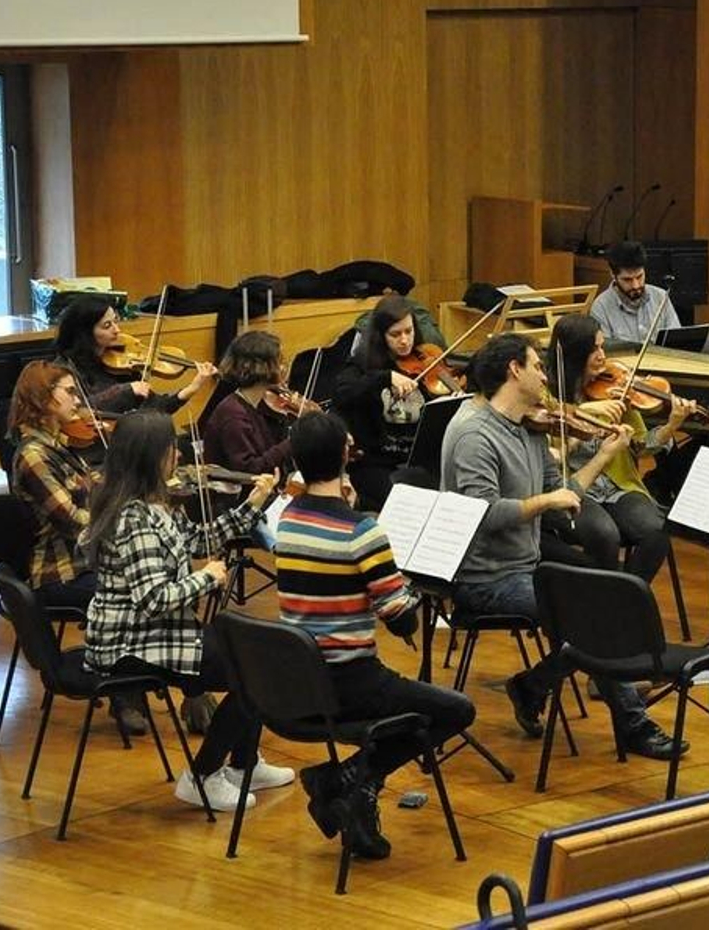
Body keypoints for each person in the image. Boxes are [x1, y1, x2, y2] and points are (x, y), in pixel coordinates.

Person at [440, 333, 684, 759]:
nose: (545, 377)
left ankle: (532, 685)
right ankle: (632, 723)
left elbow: (563, 493)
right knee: (588, 615)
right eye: (537, 367)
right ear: (514, 370)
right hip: (483, 578)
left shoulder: (530, 425)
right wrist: (545, 501)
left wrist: (603, 455)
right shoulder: (474, 434)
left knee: (600, 600)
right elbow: (484, 514)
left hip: (525, 565)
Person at [276, 410, 476, 861]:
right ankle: (348, 778)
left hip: (298, 683)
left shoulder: (288, 518)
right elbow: (401, 620)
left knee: (420, 707)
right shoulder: (361, 532)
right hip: (351, 684)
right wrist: (408, 588)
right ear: (345, 455)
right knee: (456, 710)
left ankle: (356, 789)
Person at [81, 410, 293, 812]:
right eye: (171, 449)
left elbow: (198, 540)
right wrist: (206, 578)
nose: (178, 455)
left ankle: (244, 764)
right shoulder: (132, 519)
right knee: (253, 670)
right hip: (131, 643)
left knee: (255, 654)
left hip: (160, 630)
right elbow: (152, 599)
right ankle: (203, 776)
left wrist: (253, 504)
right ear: (151, 457)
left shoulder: (159, 504)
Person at [7, 360, 146, 736]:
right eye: (69, 392)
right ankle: (126, 690)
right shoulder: (34, 455)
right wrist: (121, 518)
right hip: (60, 572)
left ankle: (147, 681)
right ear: (43, 398)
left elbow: (91, 493)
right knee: (136, 594)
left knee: (156, 578)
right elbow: (72, 520)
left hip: (84, 562)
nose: (78, 400)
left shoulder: (58, 446)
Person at [546, 313, 689, 580]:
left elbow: (641, 446)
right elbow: (551, 456)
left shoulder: (616, 390)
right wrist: (585, 416)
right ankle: (607, 595)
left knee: (657, 530)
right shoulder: (549, 399)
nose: (602, 356)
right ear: (575, 354)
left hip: (617, 487)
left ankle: (625, 595)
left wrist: (671, 426)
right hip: (576, 488)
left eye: (602, 347)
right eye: (594, 349)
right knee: (605, 535)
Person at [332, 295, 445, 510]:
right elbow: (342, 392)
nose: (404, 340)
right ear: (380, 335)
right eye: (395, 334)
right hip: (376, 463)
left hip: (418, 461)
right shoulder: (362, 365)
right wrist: (386, 377)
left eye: (409, 331)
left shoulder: (425, 361)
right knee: (404, 505)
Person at [55, 295, 217, 419]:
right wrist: (126, 390)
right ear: (85, 332)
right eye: (107, 325)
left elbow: (156, 408)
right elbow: (80, 409)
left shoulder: (122, 363)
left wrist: (192, 388)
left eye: (116, 322)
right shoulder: (65, 368)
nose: (117, 330)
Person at [202, 330, 308, 475]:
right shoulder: (234, 415)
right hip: (237, 489)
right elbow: (249, 470)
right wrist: (293, 441)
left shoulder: (252, 405)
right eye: (279, 361)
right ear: (260, 367)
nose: (284, 367)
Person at [589, 239, 682, 344]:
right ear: (613, 274)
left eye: (639, 277)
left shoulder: (661, 297)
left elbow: (677, 342)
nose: (636, 285)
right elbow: (604, 350)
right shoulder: (601, 307)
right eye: (627, 280)